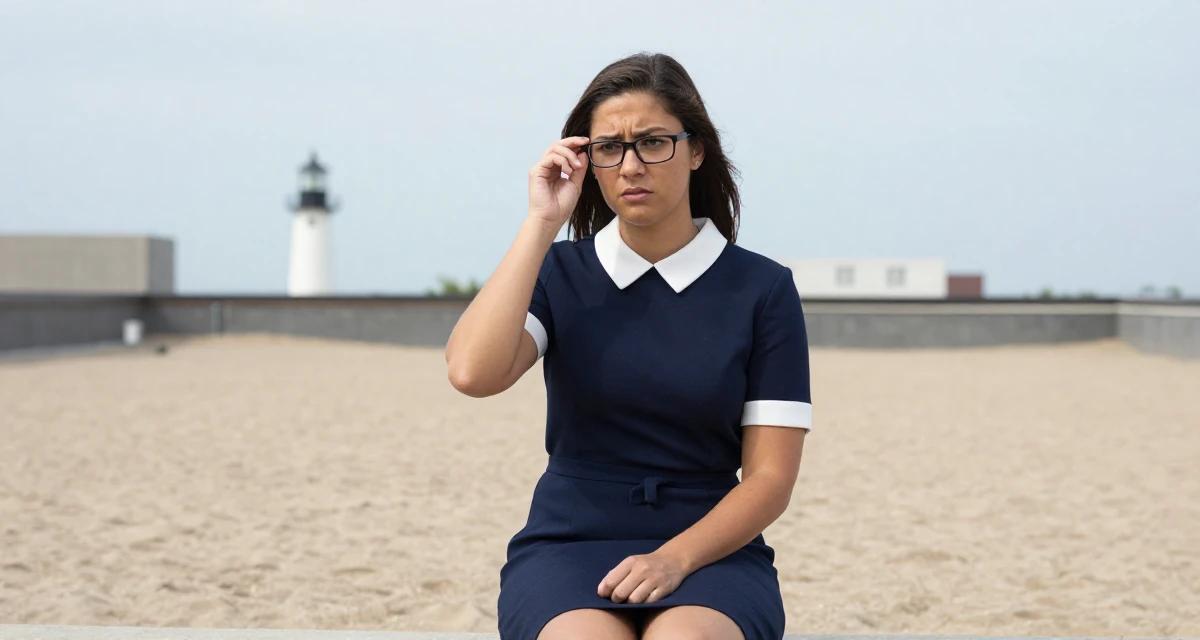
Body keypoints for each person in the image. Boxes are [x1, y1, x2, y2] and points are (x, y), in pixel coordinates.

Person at [445, 52, 812, 640]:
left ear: (696, 151)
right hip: (569, 542)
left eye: (653, 142)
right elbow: (471, 372)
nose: (631, 164)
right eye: (609, 147)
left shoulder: (762, 289)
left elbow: (770, 479)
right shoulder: (561, 271)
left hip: (711, 547)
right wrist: (541, 224)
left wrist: (675, 559)